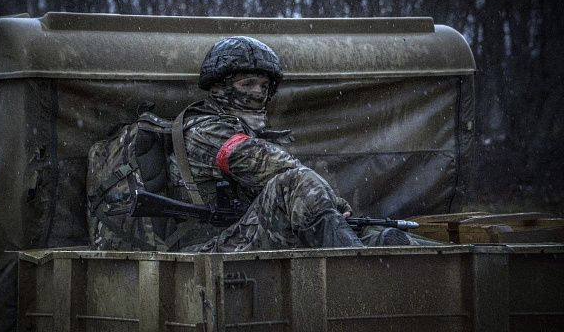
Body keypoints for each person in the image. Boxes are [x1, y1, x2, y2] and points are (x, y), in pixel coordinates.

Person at [167, 36, 421, 252]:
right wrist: (328, 199)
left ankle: (381, 252)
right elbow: (267, 165)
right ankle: (354, 270)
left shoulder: (245, 130)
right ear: (219, 87)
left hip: (237, 235)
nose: (258, 92)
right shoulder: (207, 130)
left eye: (264, 86)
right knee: (296, 184)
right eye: (247, 84)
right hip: (207, 248)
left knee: (375, 233)